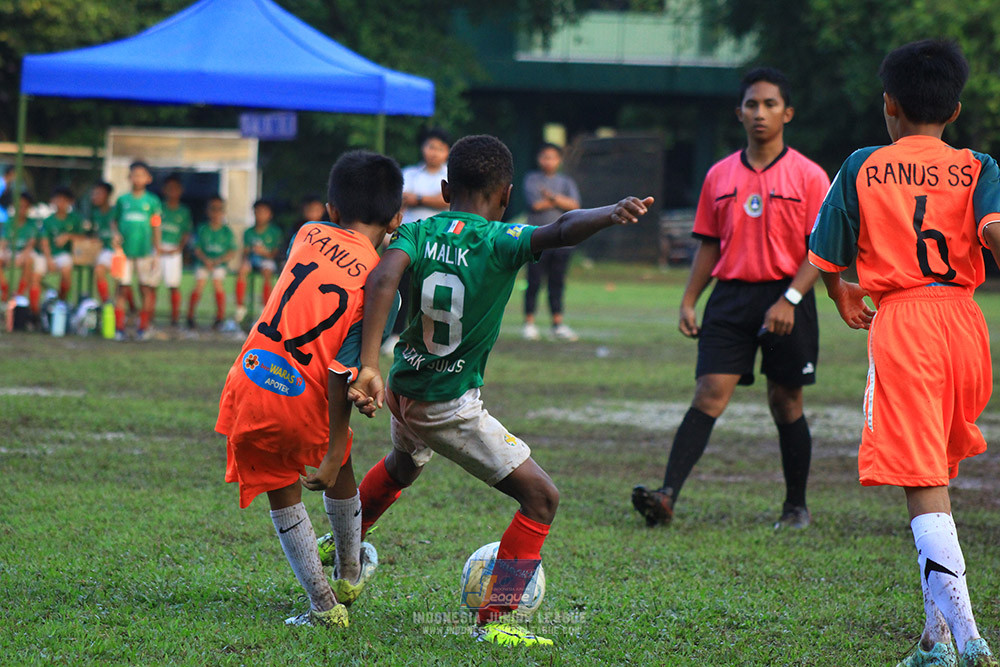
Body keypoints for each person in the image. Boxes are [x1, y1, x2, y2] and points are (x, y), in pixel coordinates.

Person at [350, 134, 652, 647]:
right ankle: (496, 619)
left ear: (446, 190)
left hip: (403, 385)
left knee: (403, 465)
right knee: (541, 498)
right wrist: (609, 213)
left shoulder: (417, 230)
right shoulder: (500, 240)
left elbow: (382, 281)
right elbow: (561, 229)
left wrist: (368, 364)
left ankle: (344, 540)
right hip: (446, 404)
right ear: (507, 195)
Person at [809, 40, 998, 667]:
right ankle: (933, 642)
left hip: (906, 323)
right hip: (965, 324)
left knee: (921, 480)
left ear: (889, 104)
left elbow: (827, 253)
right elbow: (994, 231)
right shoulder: (978, 166)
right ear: (956, 110)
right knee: (934, 472)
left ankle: (969, 641)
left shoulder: (863, 165)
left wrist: (839, 291)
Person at [631, 67, 830, 530]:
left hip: (788, 298)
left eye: (770, 104)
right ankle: (666, 496)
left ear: (787, 113)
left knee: (786, 401)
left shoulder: (810, 176)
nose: (760, 113)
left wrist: (790, 299)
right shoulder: (719, 175)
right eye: (751, 104)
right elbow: (709, 245)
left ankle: (795, 507)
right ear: (738, 113)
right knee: (708, 392)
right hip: (730, 298)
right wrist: (689, 300)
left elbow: (821, 251)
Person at [215, 150, 404, 628]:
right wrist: (335, 446)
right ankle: (348, 574)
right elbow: (343, 371)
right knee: (338, 461)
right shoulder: (383, 287)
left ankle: (323, 605)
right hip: (310, 393)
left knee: (282, 488)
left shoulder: (307, 233)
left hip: (253, 380)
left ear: (331, 209)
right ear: (396, 219)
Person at [381, 127, 451, 354]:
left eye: (439, 148)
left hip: (439, 241)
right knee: (401, 288)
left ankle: (428, 337)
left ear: (447, 152)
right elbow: (397, 202)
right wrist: (388, 235)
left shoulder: (450, 175)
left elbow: (447, 200)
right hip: (407, 238)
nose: (434, 152)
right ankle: (395, 334)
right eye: (431, 147)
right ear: (423, 148)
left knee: (431, 289)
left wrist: (418, 198)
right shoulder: (410, 174)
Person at [522, 143, 582, 341]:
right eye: (545, 157)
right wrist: (560, 201)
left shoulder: (566, 181)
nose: (548, 161)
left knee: (557, 283)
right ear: (539, 159)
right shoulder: (531, 179)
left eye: (552, 157)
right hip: (537, 239)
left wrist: (551, 197)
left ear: (559, 160)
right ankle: (529, 323)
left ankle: (557, 324)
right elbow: (535, 205)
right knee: (533, 282)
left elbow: (575, 205)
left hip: (562, 241)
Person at [112, 161, 162, 341]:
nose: (137, 179)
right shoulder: (122, 200)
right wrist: (115, 234)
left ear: (148, 179)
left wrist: (157, 251)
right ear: (129, 177)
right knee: (122, 288)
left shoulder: (152, 201)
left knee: (145, 288)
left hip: (145, 251)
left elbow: (156, 226)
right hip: (124, 252)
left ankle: (143, 327)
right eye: (135, 175)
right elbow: (114, 221)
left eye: (141, 175)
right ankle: (119, 328)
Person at [187, 196, 235, 330]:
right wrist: (206, 260)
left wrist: (218, 261)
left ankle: (219, 318)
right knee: (199, 285)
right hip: (203, 263)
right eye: (213, 209)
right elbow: (196, 248)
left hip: (219, 264)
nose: (216, 213)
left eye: (219, 209)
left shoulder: (226, 231)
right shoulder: (202, 229)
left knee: (217, 284)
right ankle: (190, 317)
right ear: (207, 211)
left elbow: (232, 251)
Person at [235, 199, 282, 323]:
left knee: (267, 272)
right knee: (242, 270)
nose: (260, 215)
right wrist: (249, 254)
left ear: (269, 214)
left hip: (267, 260)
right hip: (252, 259)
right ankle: (240, 307)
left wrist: (264, 252)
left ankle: (265, 308)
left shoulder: (274, 232)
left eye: (263, 212)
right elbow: (245, 252)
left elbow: (275, 253)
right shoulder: (248, 232)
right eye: (258, 212)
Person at [158, 174, 193, 327]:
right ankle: (147, 318)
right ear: (164, 190)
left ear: (181, 191)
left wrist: (179, 248)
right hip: (158, 249)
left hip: (174, 251)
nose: (172, 191)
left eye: (175, 188)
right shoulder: (158, 208)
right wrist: (156, 245)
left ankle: (175, 319)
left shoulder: (184, 211)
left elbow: (186, 232)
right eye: (169, 188)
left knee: (173, 285)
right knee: (150, 285)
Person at [0, 193, 43, 311]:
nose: (21, 209)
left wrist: (21, 257)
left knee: (29, 261)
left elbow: (31, 245)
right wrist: (4, 253)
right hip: (10, 252)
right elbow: (3, 242)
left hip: (24, 254)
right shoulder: (9, 222)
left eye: (24, 206)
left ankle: (19, 295)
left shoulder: (32, 224)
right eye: (19, 206)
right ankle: (5, 290)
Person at [42, 186, 84, 301]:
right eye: (58, 199)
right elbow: (44, 241)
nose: (60, 203)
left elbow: (83, 237)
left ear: (70, 202)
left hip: (65, 254)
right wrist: (49, 259)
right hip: (47, 255)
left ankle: (61, 300)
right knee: (35, 273)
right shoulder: (47, 220)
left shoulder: (75, 219)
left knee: (66, 269)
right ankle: (37, 304)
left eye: (64, 200)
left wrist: (68, 236)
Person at [89, 182, 116, 303]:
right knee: (99, 270)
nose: (95, 196)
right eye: (94, 193)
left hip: (120, 251)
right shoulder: (95, 214)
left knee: (122, 281)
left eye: (99, 193)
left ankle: (129, 308)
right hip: (107, 250)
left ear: (108, 195)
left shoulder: (116, 211)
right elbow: (96, 234)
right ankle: (107, 303)